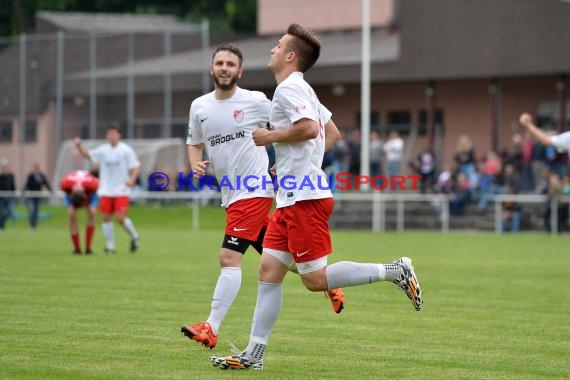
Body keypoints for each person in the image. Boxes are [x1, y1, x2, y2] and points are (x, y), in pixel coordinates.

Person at [211, 24, 422, 371]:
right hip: (293, 197)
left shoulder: (288, 90)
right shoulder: (302, 88)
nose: (272, 50)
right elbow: (331, 132)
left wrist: (270, 137)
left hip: (304, 200)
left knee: (315, 281)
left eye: (278, 46)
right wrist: (297, 163)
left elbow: (309, 128)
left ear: (291, 56)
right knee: (268, 271)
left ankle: (395, 270)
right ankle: (254, 354)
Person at [180, 43, 346, 350]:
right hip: (232, 193)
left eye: (231, 64)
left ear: (240, 72)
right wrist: (194, 163)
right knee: (277, 259)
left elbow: (301, 123)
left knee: (228, 257)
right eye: (220, 63)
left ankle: (210, 327)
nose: (225, 68)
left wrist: (289, 159)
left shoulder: (257, 101)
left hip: (255, 189)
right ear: (211, 68)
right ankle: (327, 282)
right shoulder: (199, 107)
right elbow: (194, 142)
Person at [75, 123, 141, 253]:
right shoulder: (103, 150)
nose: (111, 135)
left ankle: (134, 236)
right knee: (106, 218)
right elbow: (87, 155)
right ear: (106, 135)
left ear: (119, 135)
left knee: (120, 217)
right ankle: (110, 247)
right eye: (109, 133)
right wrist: (78, 146)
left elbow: (136, 166)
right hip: (106, 189)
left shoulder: (126, 150)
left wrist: (132, 179)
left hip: (121, 189)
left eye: (114, 133)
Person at [60, 170, 100, 254]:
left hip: (89, 191)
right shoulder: (65, 185)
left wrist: (90, 203)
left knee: (92, 211)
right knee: (71, 213)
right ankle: (77, 249)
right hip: (75, 191)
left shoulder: (93, 186)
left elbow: (97, 185)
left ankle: (88, 249)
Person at [24, 163, 53, 229]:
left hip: (38, 196)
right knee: (31, 210)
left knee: (36, 211)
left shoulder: (41, 176)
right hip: (31, 196)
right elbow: (27, 184)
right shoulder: (30, 176)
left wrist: (51, 190)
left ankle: (34, 225)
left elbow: (46, 183)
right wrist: (23, 192)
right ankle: (31, 224)